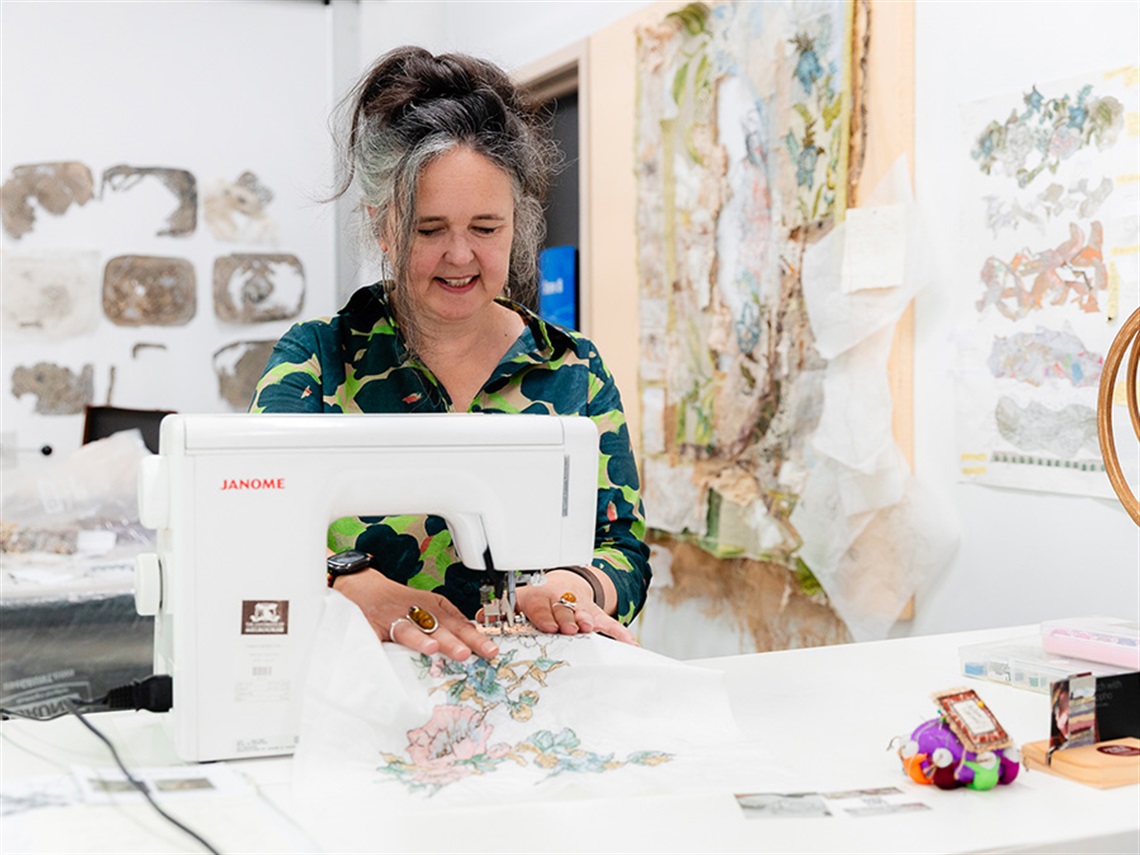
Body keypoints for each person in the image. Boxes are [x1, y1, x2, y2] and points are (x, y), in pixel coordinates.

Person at [250, 46, 651, 662]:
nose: (461, 256)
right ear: (383, 225)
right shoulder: (320, 363)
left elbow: (622, 546)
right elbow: (253, 522)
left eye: (486, 229)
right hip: (365, 703)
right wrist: (351, 582)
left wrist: (577, 586)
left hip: (529, 704)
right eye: (429, 230)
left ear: (519, 222)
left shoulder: (572, 372)